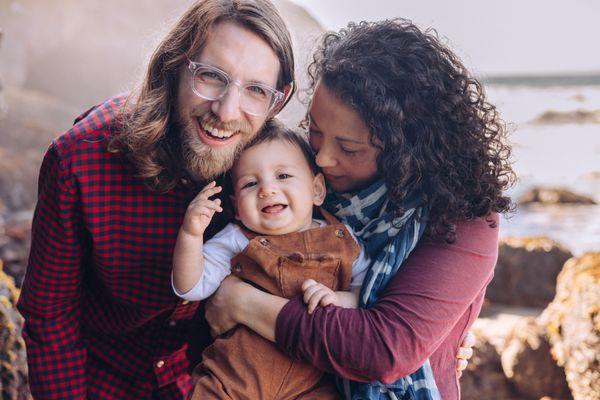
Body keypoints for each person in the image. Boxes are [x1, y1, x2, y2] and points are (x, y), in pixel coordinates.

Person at [203, 18, 515, 400]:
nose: (323, 156)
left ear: (406, 149)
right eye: (314, 130)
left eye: (349, 148)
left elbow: (383, 351)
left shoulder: (465, 217)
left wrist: (243, 302)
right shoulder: (298, 177)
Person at [17, 1, 296, 398]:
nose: (227, 111)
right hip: (103, 378)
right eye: (211, 76)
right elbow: (49, 316)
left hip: (216, 381)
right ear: (175, 65)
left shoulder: (279, 175)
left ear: (278, 100)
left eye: (255, 90)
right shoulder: (79, 158)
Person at [173, 121, 369, 398]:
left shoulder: (343, 238)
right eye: (251, 183)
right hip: (234, 378)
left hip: (311, 384)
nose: (267, 189)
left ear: (317, 190)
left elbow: (368, 296)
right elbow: (191, 287)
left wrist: (338, 300)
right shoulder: (237, 239)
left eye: (283, 176)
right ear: (237, 208)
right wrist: (191, 234)